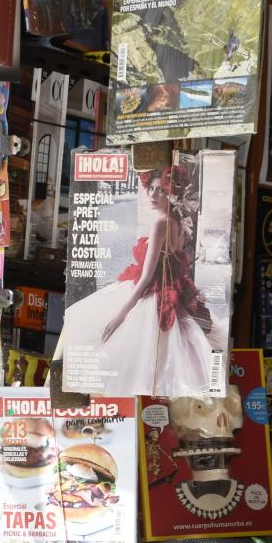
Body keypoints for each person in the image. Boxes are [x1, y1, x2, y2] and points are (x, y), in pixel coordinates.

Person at [54, 166, 217, 395]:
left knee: (112, 348)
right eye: (151, 188)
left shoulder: (161, 223)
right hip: (166, 293)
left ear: (171, 192)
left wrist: (122, 314)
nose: (152, 195)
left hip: (151, 293)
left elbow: (146, 277)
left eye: (160, 190)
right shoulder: (177, 221)